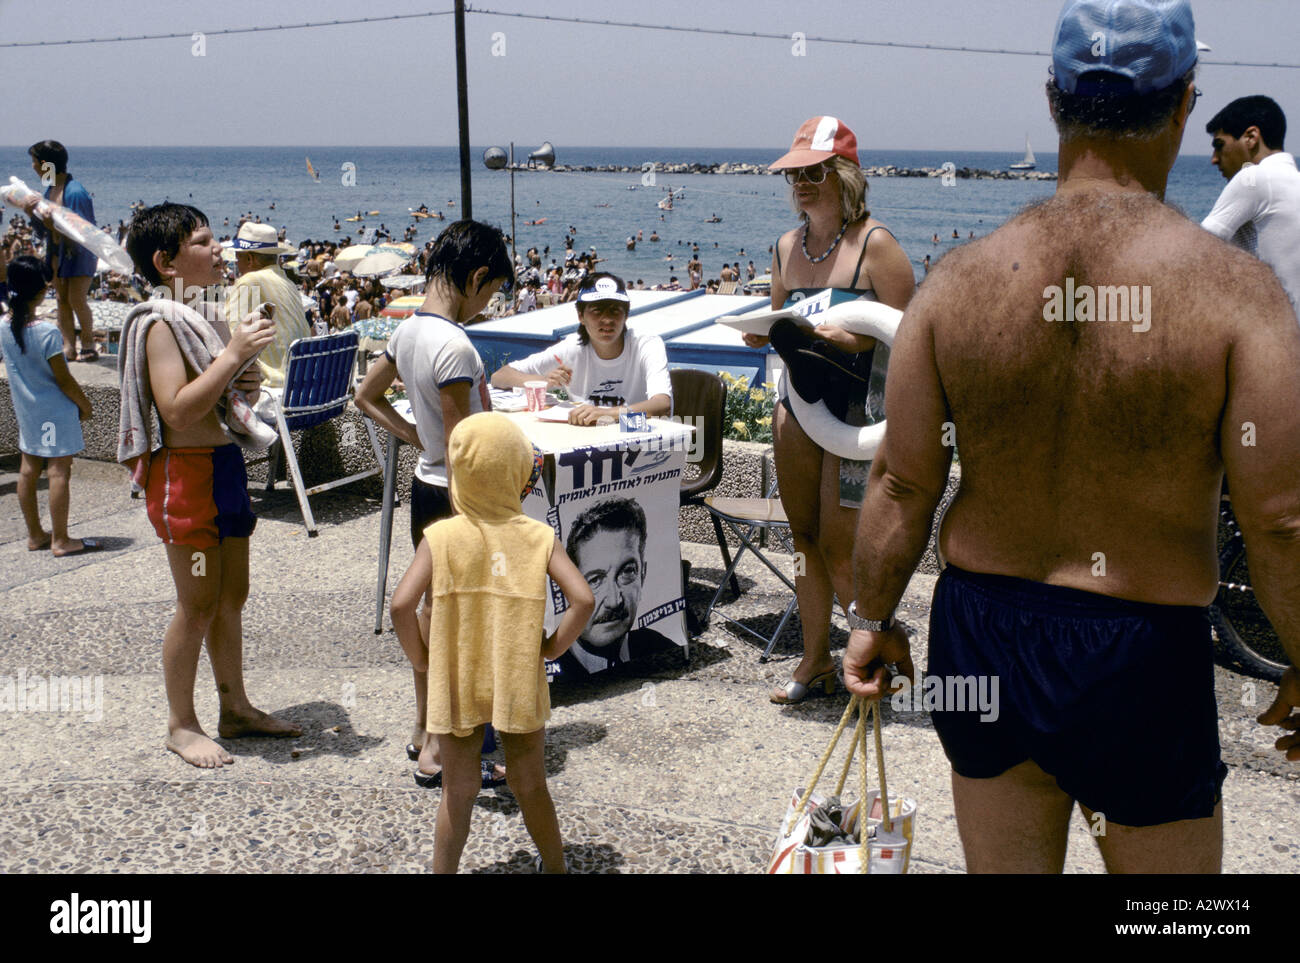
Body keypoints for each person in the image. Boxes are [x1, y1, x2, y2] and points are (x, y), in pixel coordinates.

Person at [844, 0, 1300, 874]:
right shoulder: (1238, 298)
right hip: (1141, 646)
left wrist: (869, 618)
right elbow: (1278, 518)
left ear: (1052, 99)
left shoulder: (957, 283)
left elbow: (903, 485)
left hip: (980, 628)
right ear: (1182, 104)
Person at [119, 203, 301, 768]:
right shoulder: (159, 326)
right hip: (187, 475)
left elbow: (227, 385)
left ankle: (235, 707)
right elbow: (176, 411)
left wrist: (241, 361)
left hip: (222, 468)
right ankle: (181, 723)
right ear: (165, 261)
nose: (218, 248)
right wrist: (235, 355)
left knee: (231, 598)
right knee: (196, 604)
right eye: (202, 242)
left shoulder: (202, 315)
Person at [742, 115, 915, 704]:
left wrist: (842, 339)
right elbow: (776, 326)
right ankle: (814, 659)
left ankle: (877, 653)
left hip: (858, 413)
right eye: (796, 175)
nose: (803, 185)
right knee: (801, 539)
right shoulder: (785, 249)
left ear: (844, 175)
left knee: (845, 545)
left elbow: (904, 341)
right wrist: (760, 334)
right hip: (798, 407)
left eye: (815, 173)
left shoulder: (877, 246)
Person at [394, 413, 594, 873]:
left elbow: (402, 606)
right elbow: (583, 598)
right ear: (520, 474)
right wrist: (552, 648)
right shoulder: (538, 537)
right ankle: (555, 866)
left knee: (458, 790)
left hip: (457, 678)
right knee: (530, 783)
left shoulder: (441, 537)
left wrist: (422, 661)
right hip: (518, 676)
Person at [355, 219, 514, 788]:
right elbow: (463, 445)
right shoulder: (455, 345)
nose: (487, 303)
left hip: (426, 486)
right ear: (476, 277)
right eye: (491, 290)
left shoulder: (410, 332)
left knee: (433, 614)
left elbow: (365, 397)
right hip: (458, 497)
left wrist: (412, 436)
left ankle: (425, 729)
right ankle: (445, 750)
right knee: (460, 623)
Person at [0, 255, 94, 556]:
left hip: (27, 410)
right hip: (53, 413)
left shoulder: (3, 325)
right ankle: (61, 539)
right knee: (58, 471)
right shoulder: (47, 332)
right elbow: (64, 380)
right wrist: (85, 405)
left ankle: (36, 535)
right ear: (41, 291)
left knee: (28, 470)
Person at [491, 272, 672, 426]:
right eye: (597, 311)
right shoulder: (572, 348)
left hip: (637, 432)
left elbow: (662, 404)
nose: (607, 320)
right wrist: (544, 380)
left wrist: (607, 414)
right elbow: (500, 376)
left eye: (614, 311)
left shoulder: (647, 345)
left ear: (626, 315)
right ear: (581, 316)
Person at [552, 497, 678, 676]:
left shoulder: (661, 648)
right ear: (566, 585)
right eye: (595, 580)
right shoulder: (548, 672)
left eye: (627, 572)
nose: (614, 601)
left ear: (643, 575)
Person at [1201, 95, 1300, 312]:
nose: (1214, 159)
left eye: (1219, 145)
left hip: (1270, 336)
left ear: (1251, 137)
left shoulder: (1254, 177)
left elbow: (1197, 251)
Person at [22, 141, 98, 362]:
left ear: (46, 164)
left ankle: (88, 343)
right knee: (61, 301)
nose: (33, 167)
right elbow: (44, 229)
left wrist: (50, 226)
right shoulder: (50, 188)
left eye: (35, 162)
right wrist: (31, 213)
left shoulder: (75, 192)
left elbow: (83, 231)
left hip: (79, 254)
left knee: (76, 299)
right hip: (57, 254)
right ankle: (68, 346)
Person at [224, 222, 311, 389]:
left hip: (272, 386)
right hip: (299, 380)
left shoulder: (249, 281)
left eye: (238, 258)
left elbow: (230, 337)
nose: (237, 264)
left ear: (249, 259)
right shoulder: (288, 283)